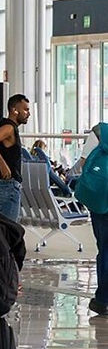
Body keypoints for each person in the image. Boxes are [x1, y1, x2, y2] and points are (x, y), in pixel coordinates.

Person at [79, 124, 108, 316]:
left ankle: (103, 300)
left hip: (100, 200)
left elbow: (84, 164)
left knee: (105, 248)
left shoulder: (100, 132)